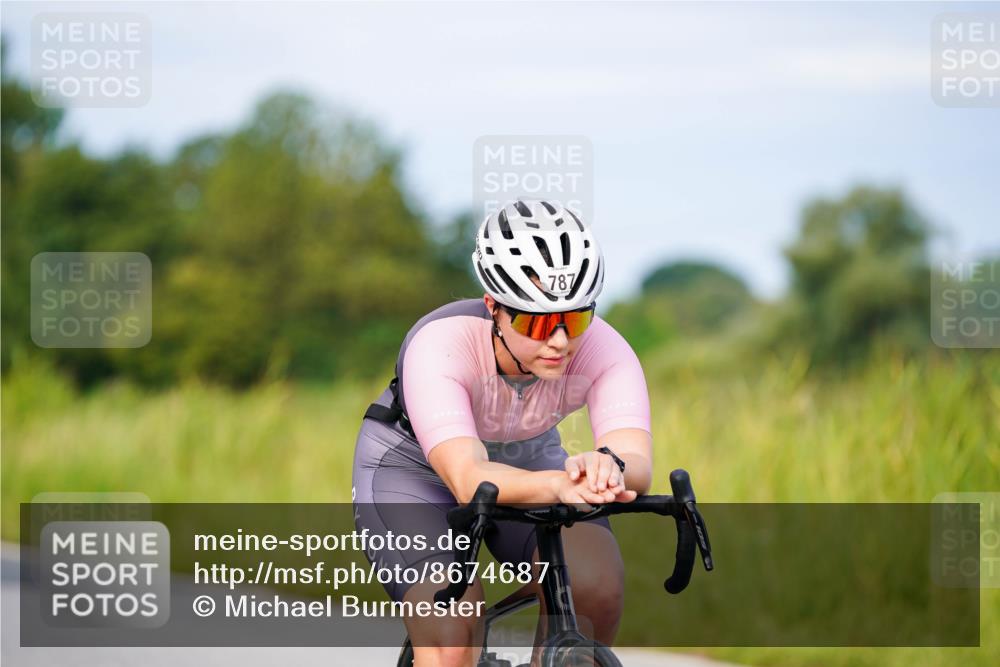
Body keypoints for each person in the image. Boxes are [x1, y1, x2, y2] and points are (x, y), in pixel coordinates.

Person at [352, 199, 652, 667]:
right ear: (493, 306)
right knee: (452, 632)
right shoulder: (442, 344)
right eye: (535, 321)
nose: (558, 341)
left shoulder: (605, 349)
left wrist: (608, 466)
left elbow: (637, 461)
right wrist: (562, 484)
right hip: (414, 471)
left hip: (529, 460)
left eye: (574, 319)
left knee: (596, 586)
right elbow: (468, 478)